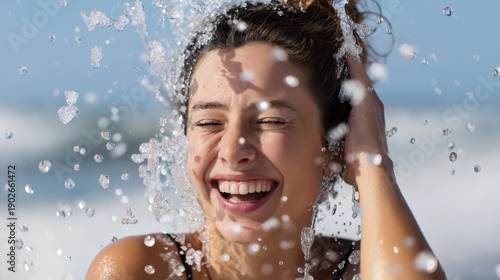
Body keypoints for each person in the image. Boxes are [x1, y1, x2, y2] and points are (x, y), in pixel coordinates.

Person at [86, 0, 447, 279]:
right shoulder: (144, 270)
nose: (231, 151)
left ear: (334, 147)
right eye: (209, 122)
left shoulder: (363, 270)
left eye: (271, 121)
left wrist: (372, 165)